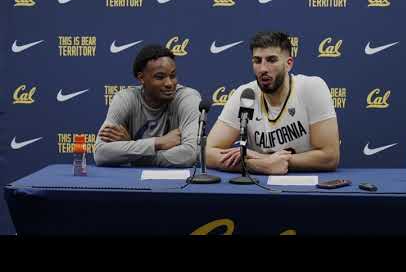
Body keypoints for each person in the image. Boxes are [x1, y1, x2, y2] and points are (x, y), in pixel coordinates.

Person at [206, 32, 339, 175]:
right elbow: (208, 153)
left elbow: (330, 157)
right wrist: (258, 166)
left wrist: (264, 159)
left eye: (271, 60)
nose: (263, 69)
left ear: (289, 64)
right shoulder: (245, 95)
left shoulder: (311, 88)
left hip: (305, 187)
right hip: (260, 187)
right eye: (257, 61)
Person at [94, 44, 201, 167]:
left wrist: (131, 151)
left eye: (172, 76)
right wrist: (158, 143)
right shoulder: (125, 98)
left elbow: (190, 154)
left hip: (177, 183)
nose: (169, 83)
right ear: (141, 78)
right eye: (160, 77)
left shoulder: (188, 98)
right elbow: (101, 153)